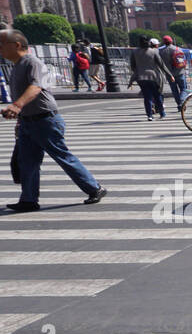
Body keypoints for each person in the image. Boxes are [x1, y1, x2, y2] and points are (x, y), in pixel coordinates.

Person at [0, 29, 106, 212]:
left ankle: (94, 188)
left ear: (16, 45)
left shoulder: (32, 62)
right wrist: (19, 116)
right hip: (28, 121)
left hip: (45, 121)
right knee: (27, 161)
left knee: (62, 156)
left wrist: (17, 106)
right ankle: (29, 199)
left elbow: (35, 86)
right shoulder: (17, 65)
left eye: (1, 44)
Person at [128, 35, 173, 120]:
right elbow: (161, 64)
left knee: (147, 97)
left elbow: (132, 65)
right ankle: (162, 113)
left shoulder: (135, 52)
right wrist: (170, 75)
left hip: (141, 78)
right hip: (153, 77)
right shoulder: (153, 51)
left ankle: (149, 115)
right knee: (157, 95)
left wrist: (138, 71)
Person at [159, 35, 188, 109]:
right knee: (183, 88)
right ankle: (182, 101)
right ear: (171, 41)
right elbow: (183, 60)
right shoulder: (177, 49)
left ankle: (179, 105)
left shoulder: (161, 51)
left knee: (174, 90)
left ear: (164, 42)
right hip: (180, 72)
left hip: (169, 74)